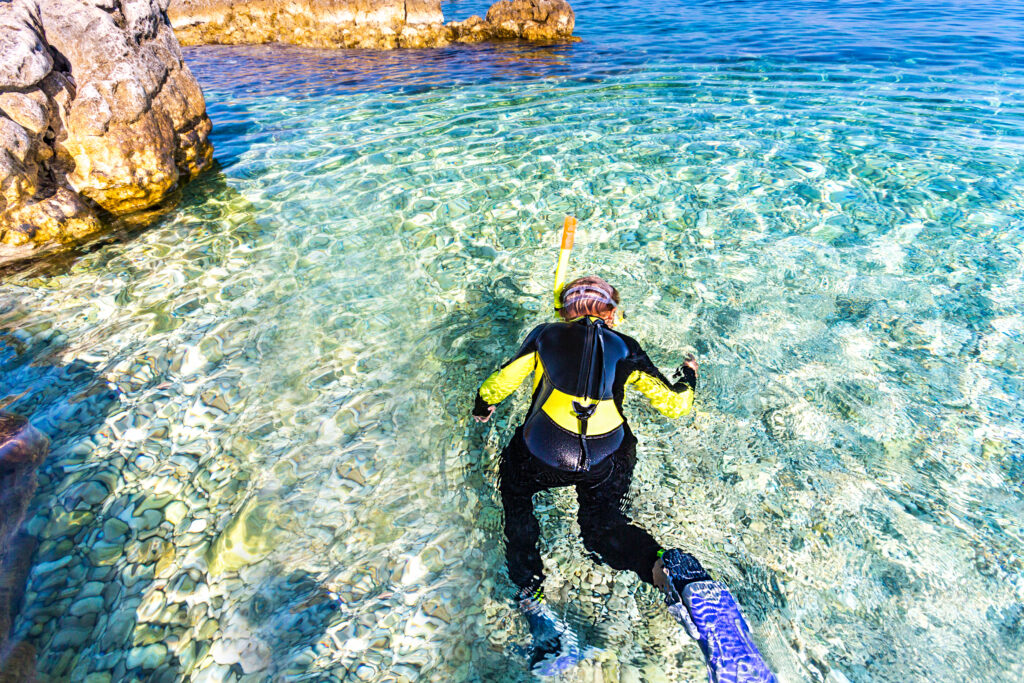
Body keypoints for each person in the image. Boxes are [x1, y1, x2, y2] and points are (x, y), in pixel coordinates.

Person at [472, 276, 775, 681]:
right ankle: (671, 575)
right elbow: (675, 406)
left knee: (518, 504)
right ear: (613, 315)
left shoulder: (545, 334)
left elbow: (498, 384)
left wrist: (482, 407)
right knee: (602, 526)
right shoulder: (627, 347)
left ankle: (538, 612)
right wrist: (688, 375)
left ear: (562, 312)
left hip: (544, 450)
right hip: (607, 454)